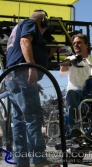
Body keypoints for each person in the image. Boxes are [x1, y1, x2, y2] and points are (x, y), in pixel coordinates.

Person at [4, 10, 58, 167]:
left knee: (19, 120)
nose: (43, 32)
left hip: (14, 77)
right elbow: (25, 42)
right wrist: (32, 67)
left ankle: (22, 161)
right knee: (33, 116)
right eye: (44, 28)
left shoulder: (16, 28)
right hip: (20, 75)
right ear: (42, 22)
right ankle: (39, 159)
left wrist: (28, 76)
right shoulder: (30, 23)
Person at [59, 33, 92, 132]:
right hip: (77, 91)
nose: (76, 45)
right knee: (71, 93)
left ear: (86, 45)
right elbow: (62, 70)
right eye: (74, 43)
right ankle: (73, 130)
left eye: (79, 43)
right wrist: (66, 63)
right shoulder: (70, 59)